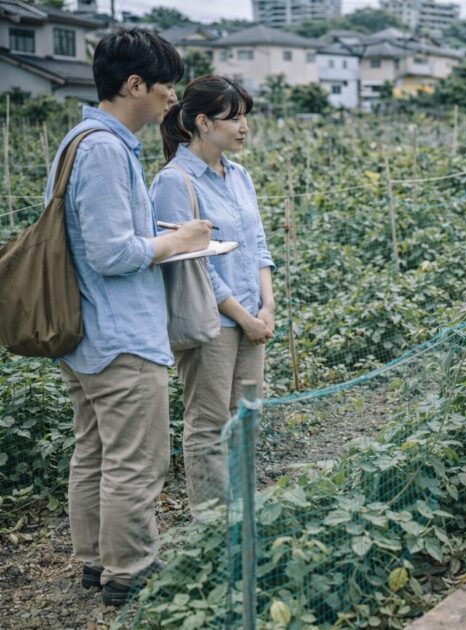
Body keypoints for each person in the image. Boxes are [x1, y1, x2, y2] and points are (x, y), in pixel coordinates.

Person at [44, 29, 212, 607]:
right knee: (135, 462)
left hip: (86, 334)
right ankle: (131, 571)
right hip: (120, 337)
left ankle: (96, 562)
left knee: (94, 452)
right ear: (134, 84)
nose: (172, 98)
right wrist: (181, 240)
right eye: (166, 85)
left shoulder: (78, 141)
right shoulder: (105, 149)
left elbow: (99, 239)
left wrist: (155, 238)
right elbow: (112, 254)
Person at [150, 75, 275, 517]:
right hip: (211, 322)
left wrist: (267, 305)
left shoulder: (239, 176)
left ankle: (242, 514)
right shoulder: (174, 182)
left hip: (252, 316)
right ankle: (211, 525)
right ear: (202, 122)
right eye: (233, 117)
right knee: (208, 424)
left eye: (245, 117)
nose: (243, 127)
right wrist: (244, 317)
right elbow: (193, 262)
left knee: (246, 420)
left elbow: (258, 242)